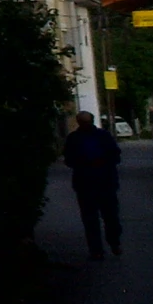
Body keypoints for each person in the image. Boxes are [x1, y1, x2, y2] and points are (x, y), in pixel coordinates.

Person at [61, 110, 122, 259]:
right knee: (109, 215)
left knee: (91, 218)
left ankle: (97, 249)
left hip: (86, 183)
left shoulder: (74, 138)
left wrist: (82, 164)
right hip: (104, 181)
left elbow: (68, 160)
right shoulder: (103, 136)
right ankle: (112, 243)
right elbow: (115, 156)